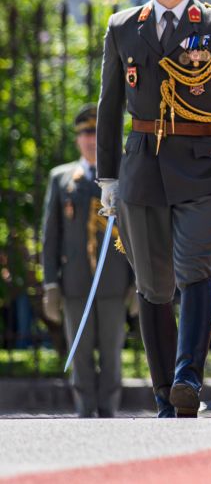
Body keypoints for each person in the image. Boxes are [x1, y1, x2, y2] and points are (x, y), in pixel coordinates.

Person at [95, 0, 211, 418]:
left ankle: (189, 375)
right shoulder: (124, 27)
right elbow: (109, 107)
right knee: (153, 286)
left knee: (195, 271)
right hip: (142, 169)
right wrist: (107, 177)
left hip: (205, 168)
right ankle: (165, 391)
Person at [40, 104, 133, 417]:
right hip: (76, 282)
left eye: (97, 133)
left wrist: (137, 281)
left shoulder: (125, 176)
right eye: (85, 133)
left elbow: (135, 232)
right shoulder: (62, 179)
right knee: (79, 353)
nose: (91, 139)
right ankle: (84, 412)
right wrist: (51, 283)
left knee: (111, 352)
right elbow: (50, 237)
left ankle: (108, 412)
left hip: (115, 281)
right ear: (77, 138)